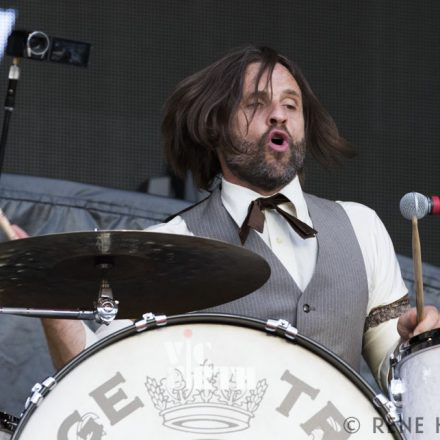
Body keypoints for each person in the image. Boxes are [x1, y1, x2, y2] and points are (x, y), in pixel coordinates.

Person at [26, 45, 439, 390]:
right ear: (213, 127)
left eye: (290, 105)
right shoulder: (171, 244)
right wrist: (44, 290)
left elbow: (397, 375)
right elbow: (95, 380)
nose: (279, 115)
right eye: (257, 104)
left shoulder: (360, 226)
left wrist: (419, 346)